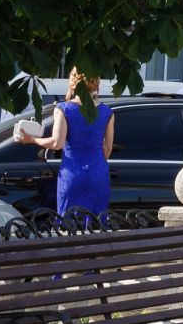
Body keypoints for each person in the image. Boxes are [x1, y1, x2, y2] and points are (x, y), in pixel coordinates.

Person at [15, 69, 114, 222]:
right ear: (96, 84)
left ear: (72, 83)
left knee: (69, 223)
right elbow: (108, 148)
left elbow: (56, 143)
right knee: (97, 223)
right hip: (98, 174)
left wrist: (32, 140)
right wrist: (97, 165)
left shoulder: (64, 109)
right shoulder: (107, 112)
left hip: (72, 173)